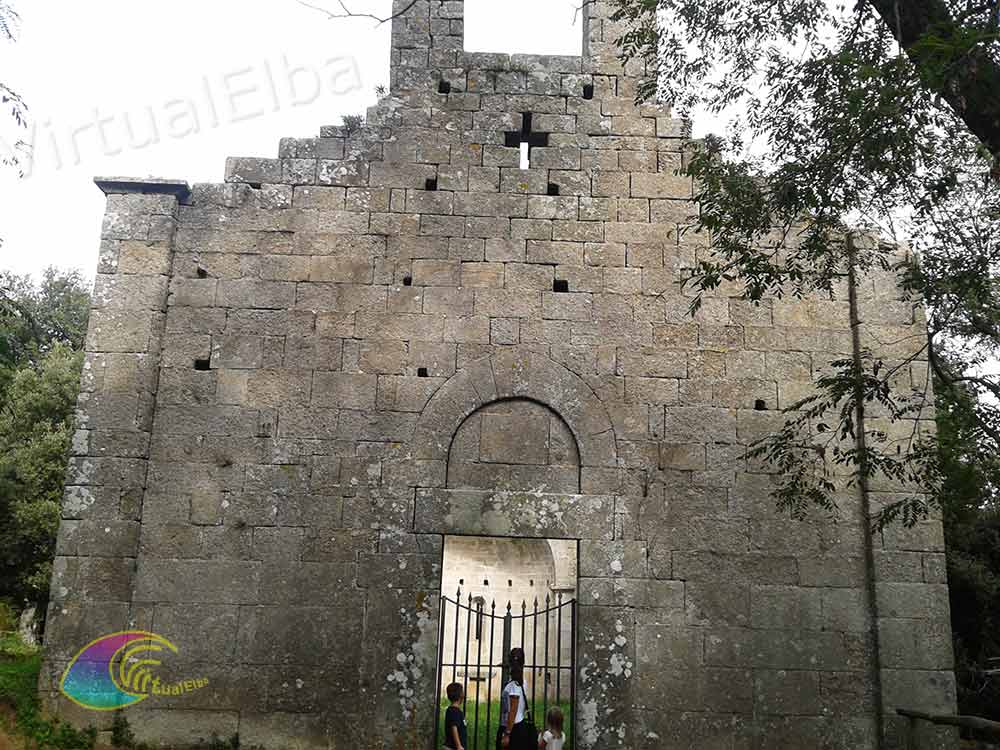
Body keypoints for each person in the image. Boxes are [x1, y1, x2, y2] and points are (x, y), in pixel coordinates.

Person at [498, 648, 534, 750]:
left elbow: (513, 709)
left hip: (513, 728)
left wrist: (507, 734)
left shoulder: (514, 684)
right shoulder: (522, 681)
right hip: (518, 725)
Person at [444, 682, 467, 750]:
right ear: (460, 695)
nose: (464, 694)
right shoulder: (455, 711)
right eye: (462, 692)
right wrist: (458, 746)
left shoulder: (452, 710)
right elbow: (454, 728)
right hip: (453, 747)